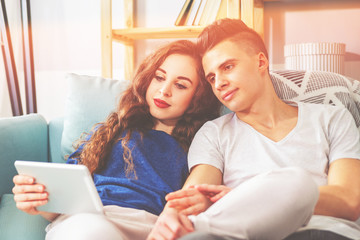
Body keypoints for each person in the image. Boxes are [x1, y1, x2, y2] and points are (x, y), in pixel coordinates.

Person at [147, 19, 360, 240]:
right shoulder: (213, 133)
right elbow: (191, 197)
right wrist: (171, 215)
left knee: (298, 183)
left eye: (228, 67)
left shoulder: (331, 117)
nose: (219, 83)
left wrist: (250, 197)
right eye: (212, 78)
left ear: (260, 62)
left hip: (320, 232)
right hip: (248, 234)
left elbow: (349, 200)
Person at [12, 40, 222, 240]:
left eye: (181, 85)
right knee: (89, 231)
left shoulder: (201, 143)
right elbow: (64, 203)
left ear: (198, 97)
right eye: (159, 77)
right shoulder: (112, 131)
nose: (164, 90)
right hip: (85, 220)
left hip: (148, 227)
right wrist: (37, 200)